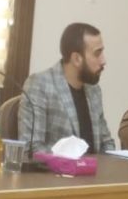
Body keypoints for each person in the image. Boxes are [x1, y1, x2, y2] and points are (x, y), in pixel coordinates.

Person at [19, 22, 115, 155]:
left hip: (95, 168)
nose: (103, 61)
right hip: (56, 169)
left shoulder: (94, 90)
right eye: (97, 54)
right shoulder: (40, 85)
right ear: (76, 59)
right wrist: (75, 163)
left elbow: (107, 143)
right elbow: (31, 149)